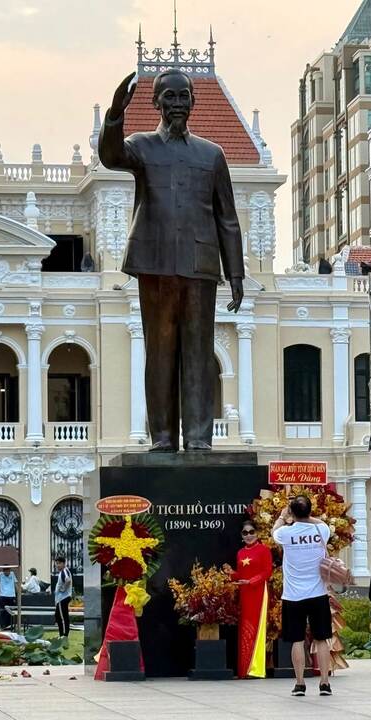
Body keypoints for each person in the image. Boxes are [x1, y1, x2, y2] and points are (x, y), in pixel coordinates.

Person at [99, 69, 244, 452]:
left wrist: (236, 274)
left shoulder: (211, 154)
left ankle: (198, 438)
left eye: (183, 97)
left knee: (199, 353)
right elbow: (111, 156)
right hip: (155, 262)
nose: (177, 104)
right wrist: (115, 113)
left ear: (193, 102)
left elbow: (227, 218)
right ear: (156, 102)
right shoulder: (141, 146)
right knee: (160, 352)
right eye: (169, 96)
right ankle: (162, 437)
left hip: (200, 265)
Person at [272, 495, 333, 697]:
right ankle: (324, 683)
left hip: (293, 596)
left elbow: (274, 531)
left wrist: (283, 516)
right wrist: (306, 516)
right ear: (309, 511)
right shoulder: (321, 530)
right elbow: (319, 522)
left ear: (292, 512)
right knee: (322, 639)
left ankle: (300, 684)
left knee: (297, 640)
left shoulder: (286, 533)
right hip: (318, 594)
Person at [233, 521, 272, 679]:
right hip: (245, 594)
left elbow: (267, 571)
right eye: (245, 533)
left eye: (251, 532)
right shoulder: (240, 552)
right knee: (245, 629)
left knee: (257, 627)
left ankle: (256, 669)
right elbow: (240, 575)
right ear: (241, 535)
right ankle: (245, 669)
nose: (249, 535)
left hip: (258, 592)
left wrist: (251, 581)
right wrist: (231, 574)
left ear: (257, 533)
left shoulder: (264, 550)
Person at [53, 556, 73, 638]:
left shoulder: (64, 571)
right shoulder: (63, 571)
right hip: (61, 599)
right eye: (56, 563)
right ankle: (62, 634)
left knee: (62, 617)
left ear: (64, 563)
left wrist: (63, 588)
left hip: (63, 598)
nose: (57, 565)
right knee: (58, 616)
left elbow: (68, 580)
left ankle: (64, 635)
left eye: (59, 563)